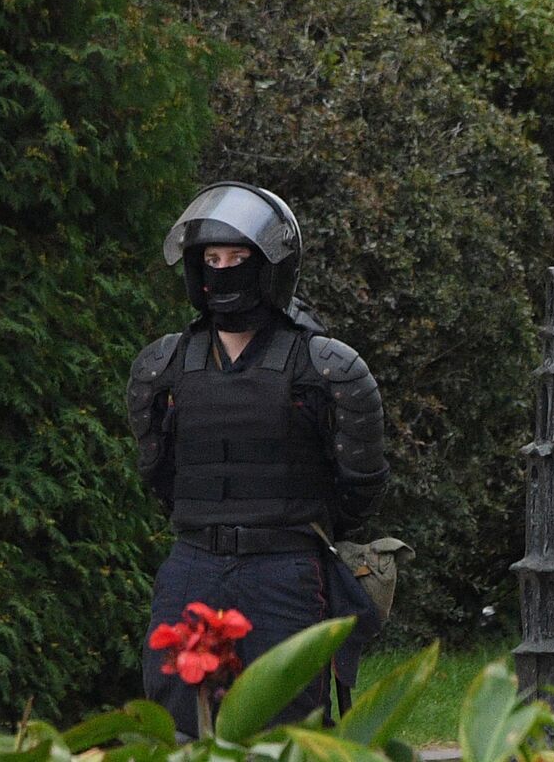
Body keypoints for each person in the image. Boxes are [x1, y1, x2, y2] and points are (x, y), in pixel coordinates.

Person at [126, 181, 389, 736]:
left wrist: (280, 524)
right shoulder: (163, 366)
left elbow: (359, 487)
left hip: (285, 571)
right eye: (212, 258)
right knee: (177, 725)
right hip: (191, 566)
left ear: (271, 264)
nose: (223, 270)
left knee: (285, 729)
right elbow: (160, 476)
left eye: (238, 257)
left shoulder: (328, 369)